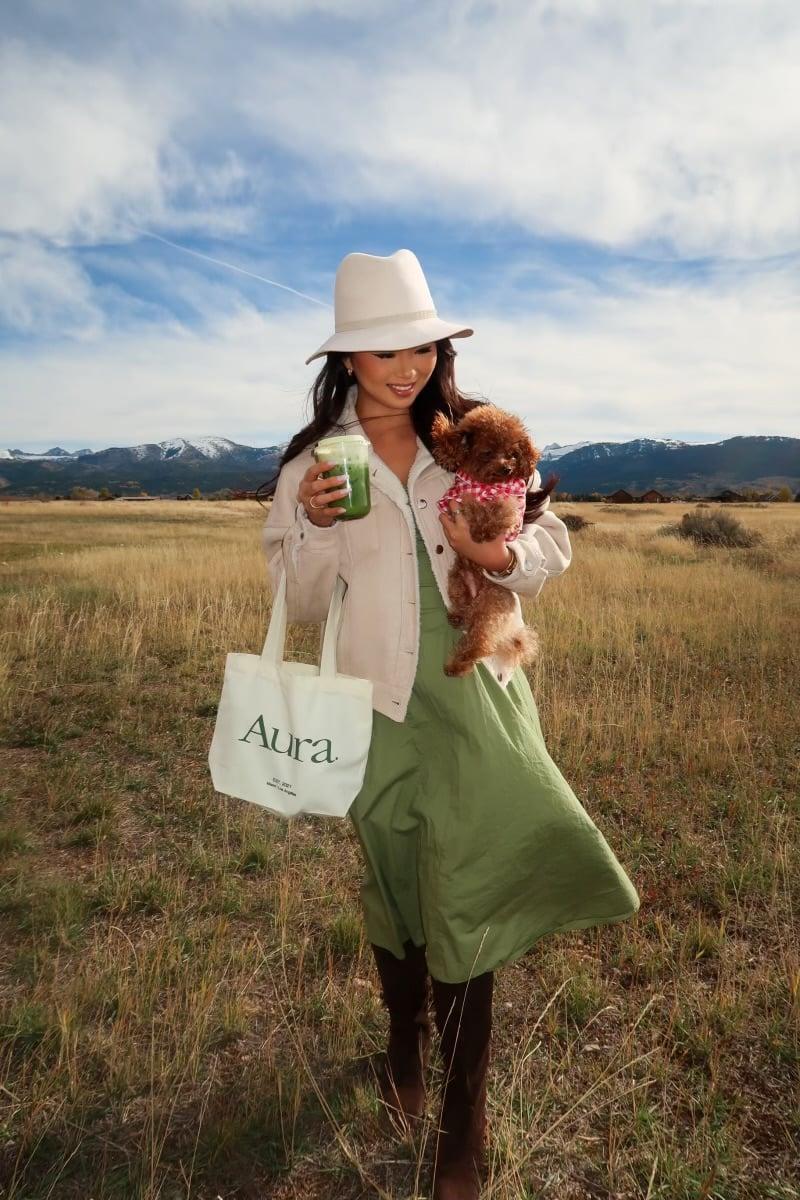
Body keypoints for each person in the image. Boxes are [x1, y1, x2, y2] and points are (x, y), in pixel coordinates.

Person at [260, 249, 640, 1200]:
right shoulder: (315, 463)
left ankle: (461, 1128)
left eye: (420, 345)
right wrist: (308, 525)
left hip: (476, 698)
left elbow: (549, 538)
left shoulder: (472, 435)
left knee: (463, 893)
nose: (407, 366)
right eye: (383, 350)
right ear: (347, 358)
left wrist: (500, 553)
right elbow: (298, 598)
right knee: (396, 886)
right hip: (376, 706)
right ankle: (401, 1044)